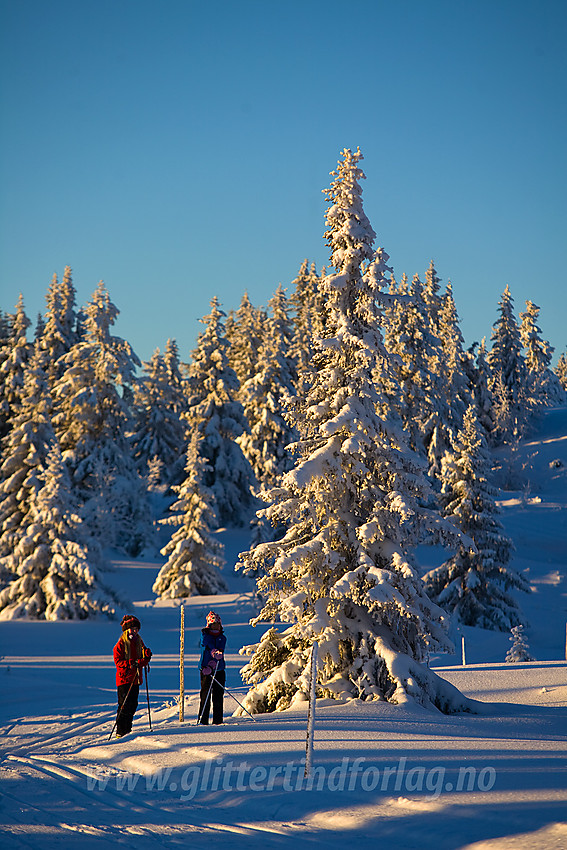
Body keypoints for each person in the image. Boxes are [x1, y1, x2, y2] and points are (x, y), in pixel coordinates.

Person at [113, 614, 152, 738]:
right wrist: (132, 663)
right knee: (124, 705)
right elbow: (118, 662)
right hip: (124, 679)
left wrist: (146, 656)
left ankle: (127, 729)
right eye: (132, 629)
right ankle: (120, 730)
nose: (135, 631)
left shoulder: (139, 642)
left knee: (133, 705)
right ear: (126, 630)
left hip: (135, 679)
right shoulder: (120, 645)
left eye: (136, 629)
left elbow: (143, 661)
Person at [198, 610, 226, 725]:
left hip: (219, 670)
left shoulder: (222, 638)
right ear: (209, 625)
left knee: (218, 697)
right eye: (214, 624)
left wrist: (216, 659)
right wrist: (209, 664)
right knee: (205, 697)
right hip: (206, 671)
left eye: (218, 624)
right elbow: (207, 646)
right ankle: (202, 721)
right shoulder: (205, 636)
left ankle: (218, 721)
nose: (216, 626)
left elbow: (220, 650)